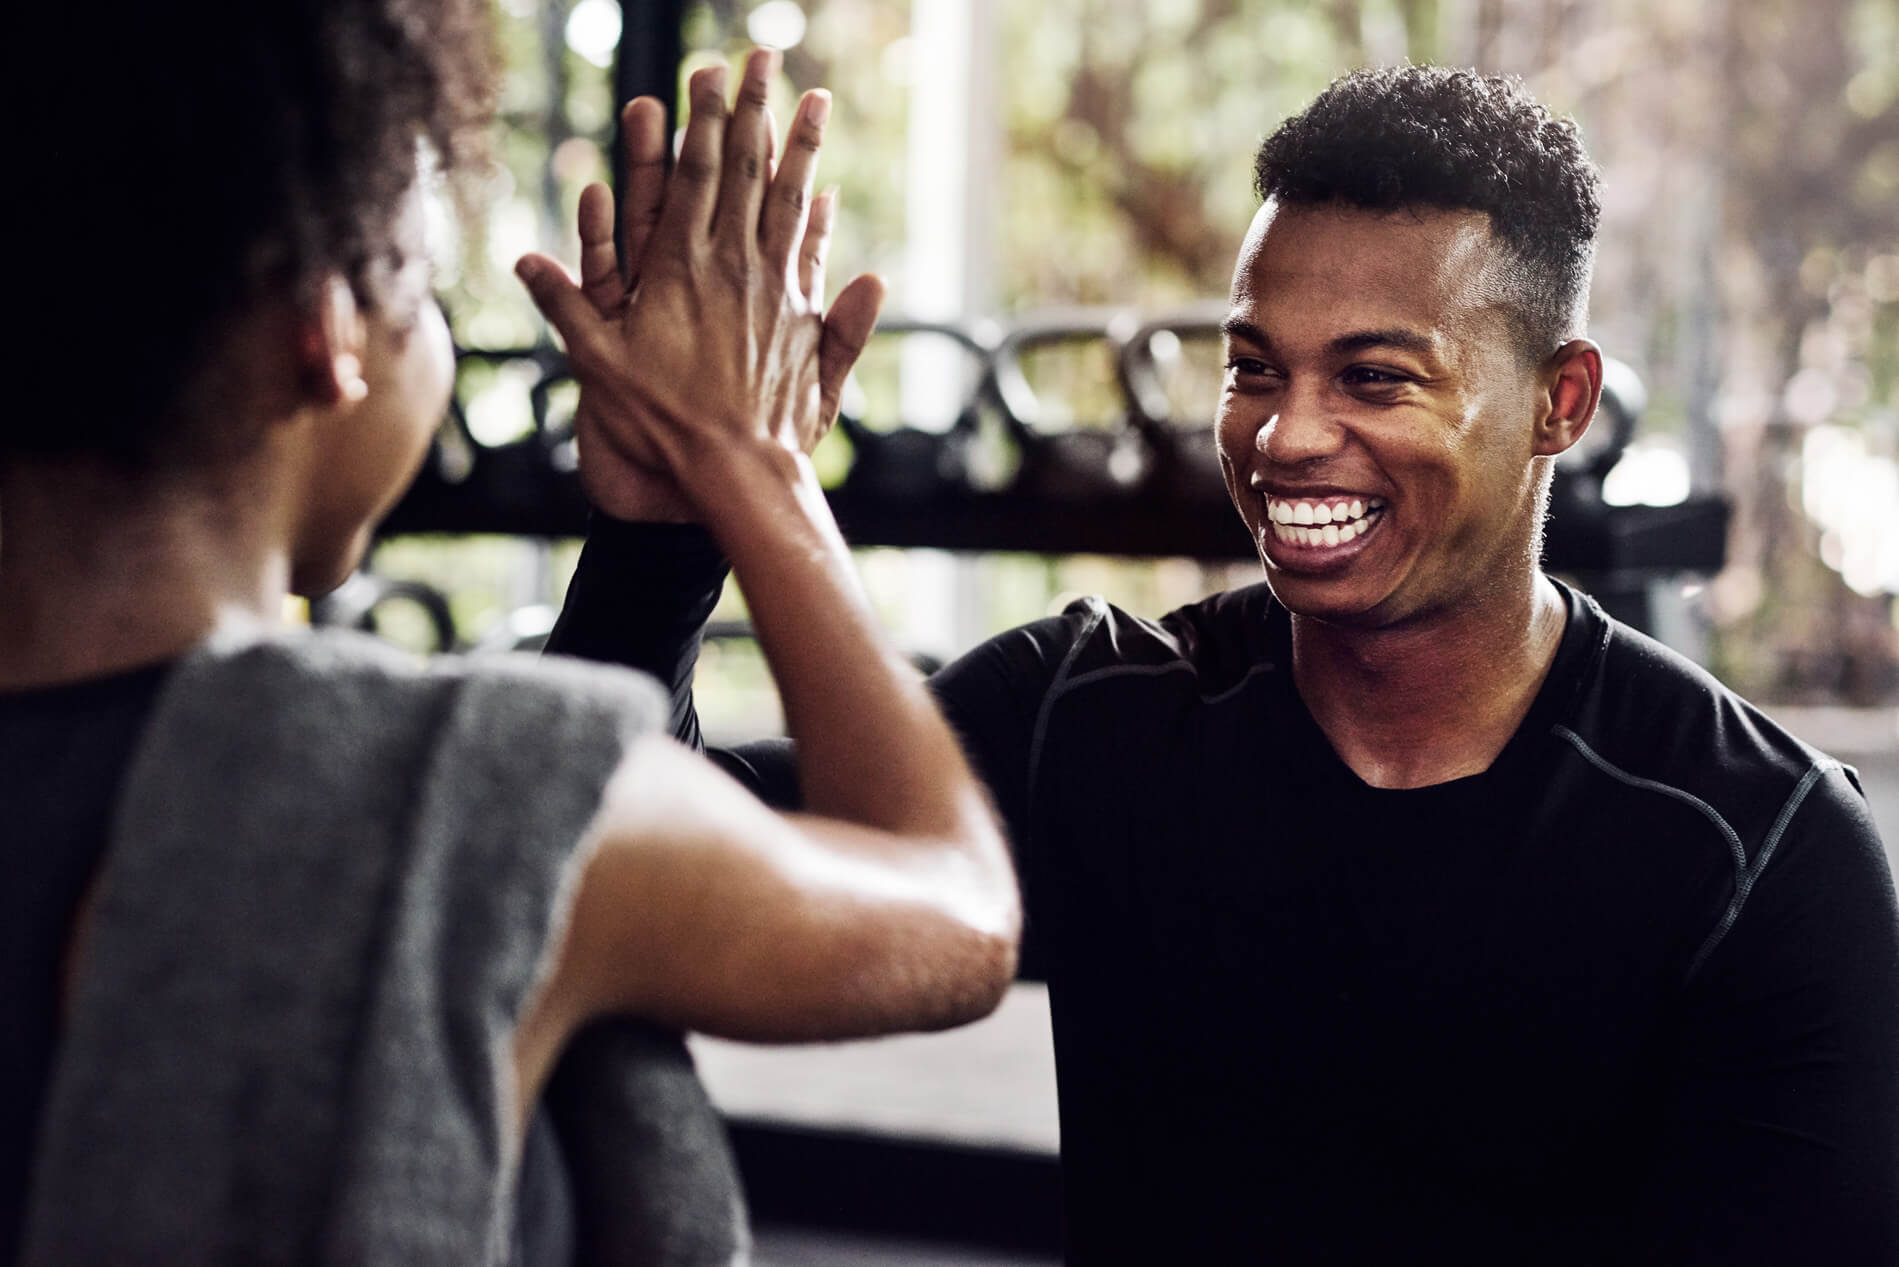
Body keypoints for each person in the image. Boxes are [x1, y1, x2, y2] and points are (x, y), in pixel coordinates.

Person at [547, 65, 1899, 1263]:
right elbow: (591, 858)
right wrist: (657, 536)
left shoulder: (1758, 851)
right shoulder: (1086, 716)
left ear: (1558, 401)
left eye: (1373, 379)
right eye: (1254, 368)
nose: (1284, 436)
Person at [2, 5, 1017, 1263]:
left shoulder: (486, 809)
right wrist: (752, 463)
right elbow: (954, 906)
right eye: (421, 289)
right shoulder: (434, 797)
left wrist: (657, 551)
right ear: (323, 333)